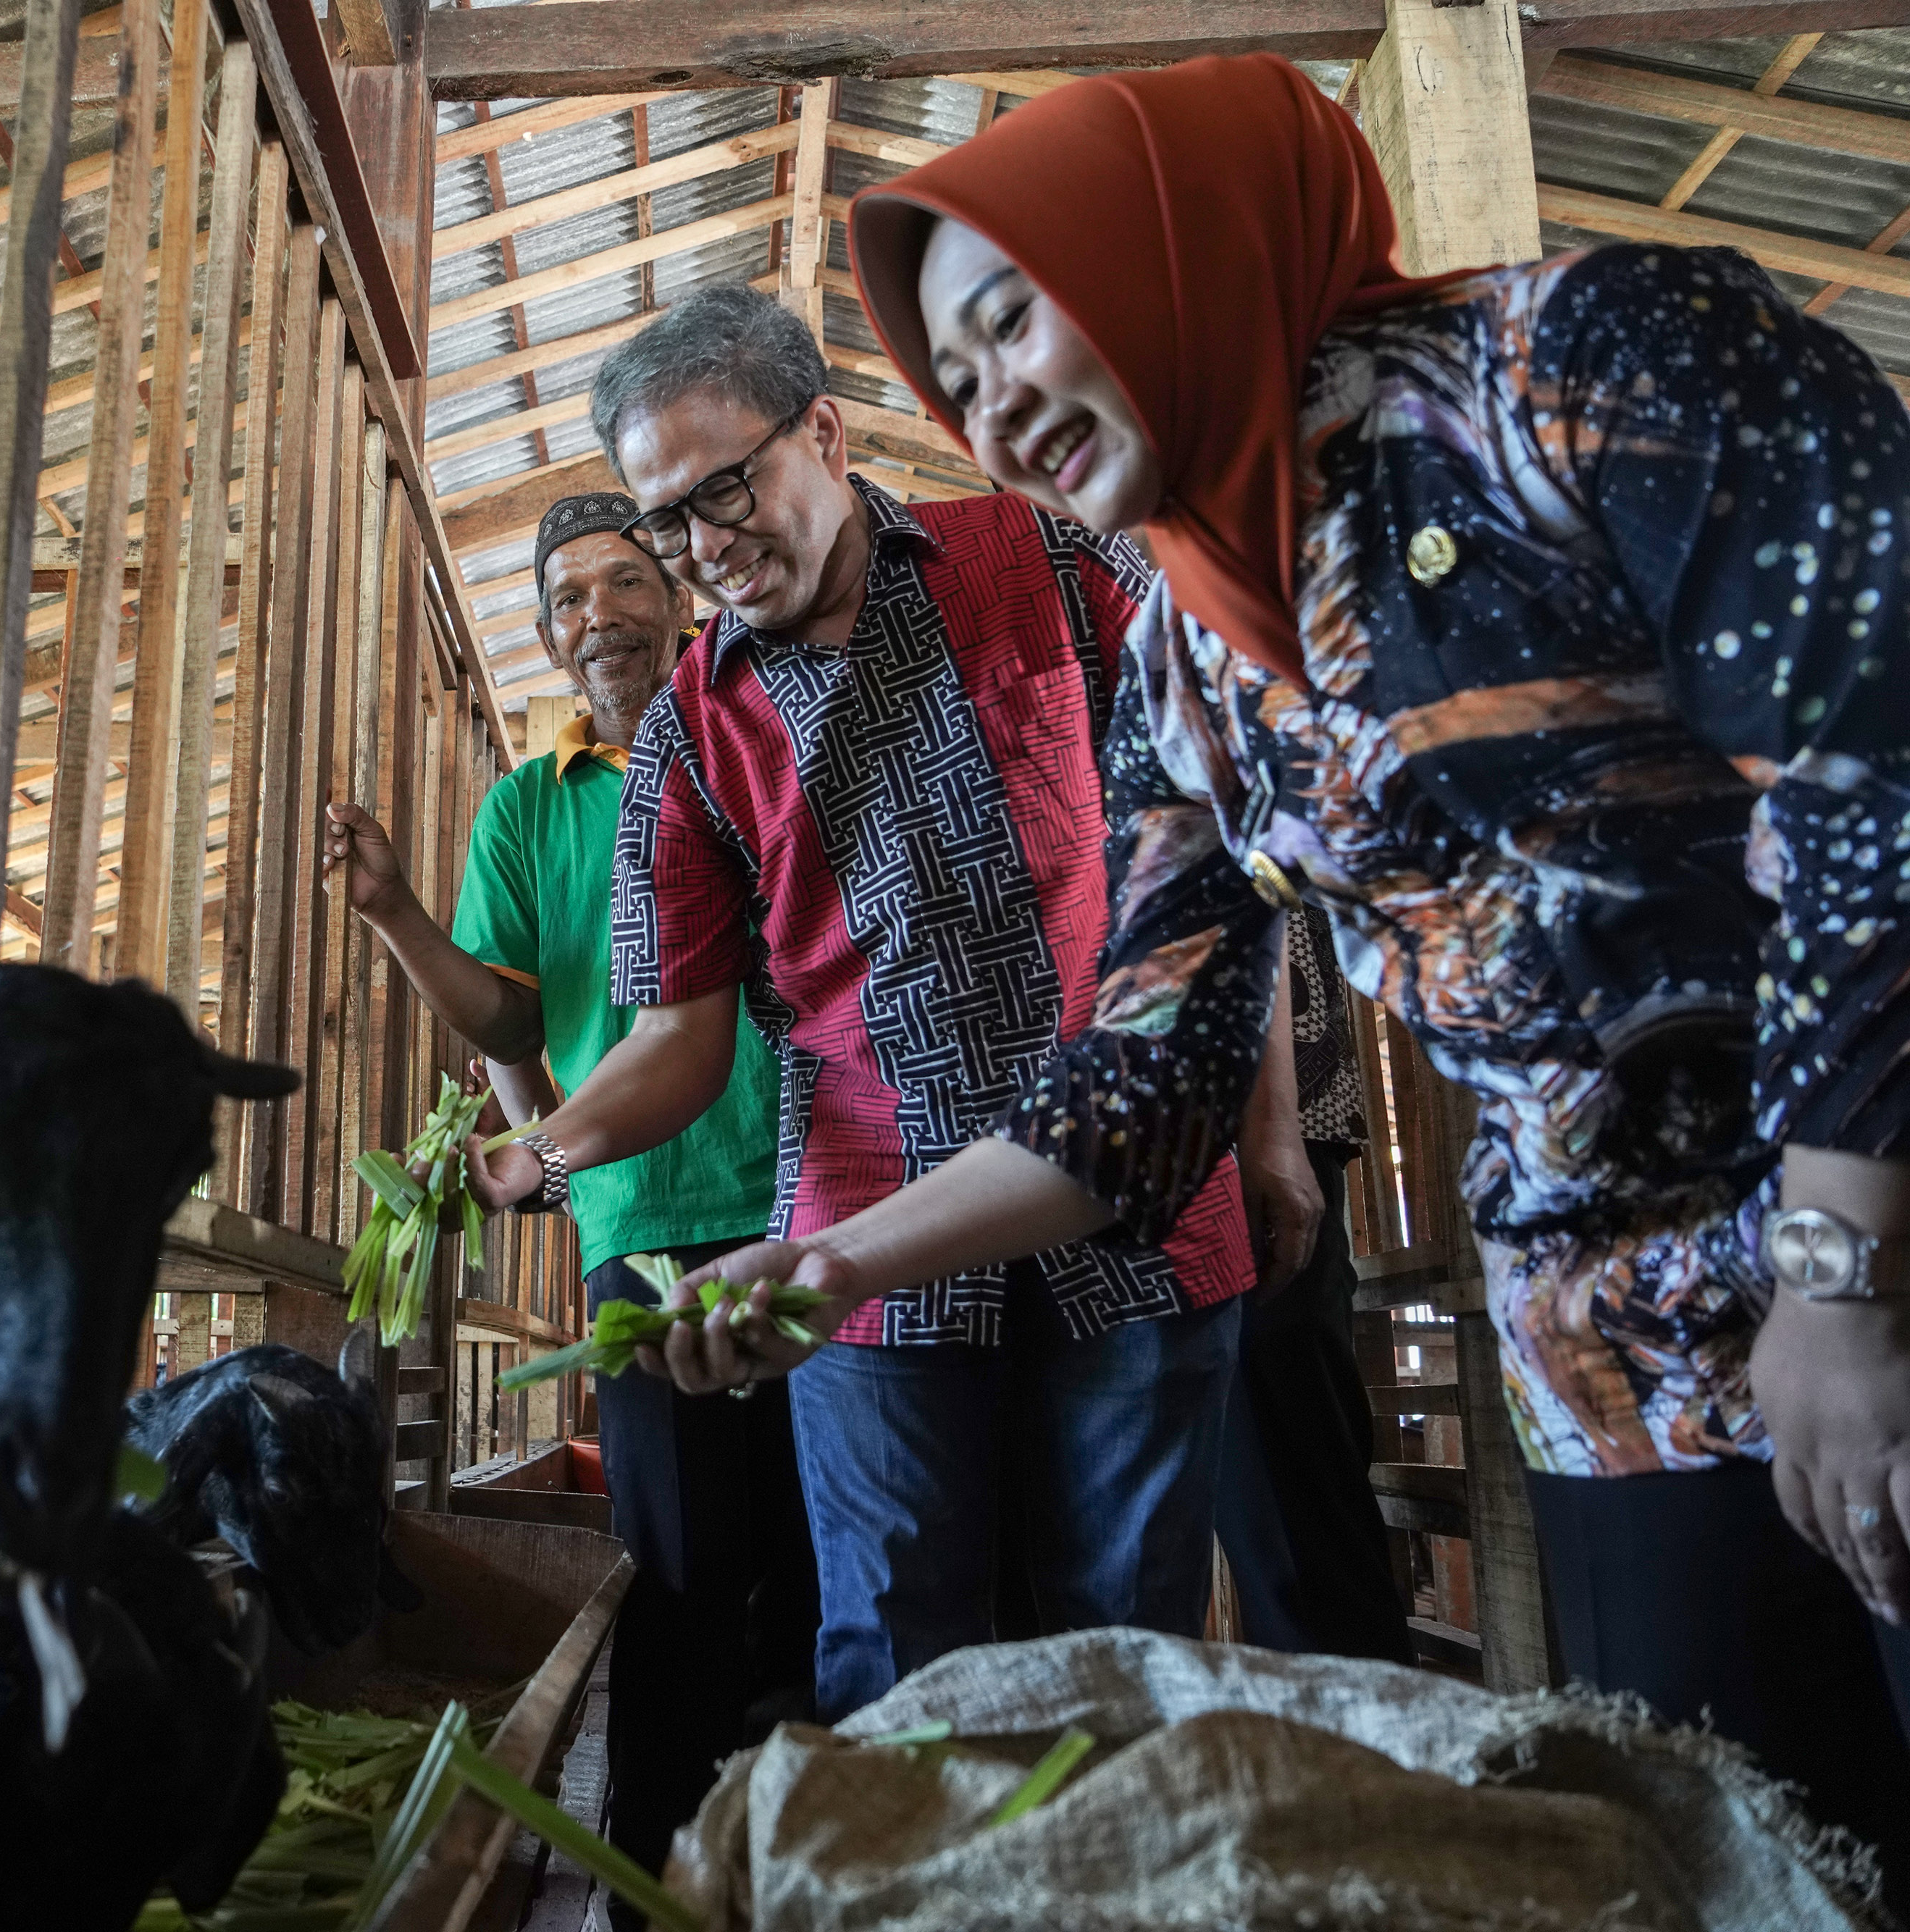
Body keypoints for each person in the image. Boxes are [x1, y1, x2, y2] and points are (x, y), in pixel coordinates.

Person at [636, 53, 1910, 1857]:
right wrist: (838, 1264)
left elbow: (1881, 771)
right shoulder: (1187, 655)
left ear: (1177, 243)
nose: (996, 402)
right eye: (960, 372)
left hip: (1865, 1254)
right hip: (1623, 1375)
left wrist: (1846, 1288)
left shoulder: (1585, 365)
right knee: (1764, 1861)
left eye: (1016, 320)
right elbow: (1138, 1078)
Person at [467, 286, 1281, 1724]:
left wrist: (1263, 1126)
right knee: (891, 1658)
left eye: (726, 489)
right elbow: (676, 1037)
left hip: (1135, 1205)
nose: (705, 549)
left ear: (826, 432)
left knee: (1123, 1650)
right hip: (854, 1240)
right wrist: (552, 1146)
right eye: (670, 522)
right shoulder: (684, 737)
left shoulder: (1049, 557)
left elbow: (1219, 857)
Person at [318, 492, 813, 1913]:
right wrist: (397, 915)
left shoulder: (757, 729)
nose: (594, 610)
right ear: (544, 633)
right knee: (673, 1564)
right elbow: (503, 1010)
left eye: (621, 579)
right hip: (641, 1221)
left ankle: (803, 1858)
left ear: (679, 593)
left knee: (814, 1549)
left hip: (818, 1204)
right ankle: (651, 1874)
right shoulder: (529, 806)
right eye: (566, 597)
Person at [1215, 905, 1417, 1663]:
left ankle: (1360, 1728)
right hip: (1080, 1088)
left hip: (1274, 1097)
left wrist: (1274, 1128)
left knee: (1288, 1430)